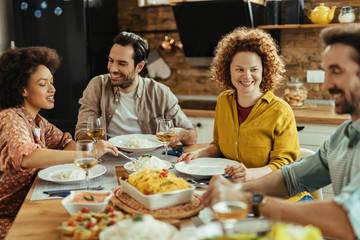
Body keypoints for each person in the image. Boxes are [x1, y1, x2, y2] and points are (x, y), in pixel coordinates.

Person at [203, 25, 360, 240]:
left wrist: (251, 200)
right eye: (325, 73)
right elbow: (292, 177)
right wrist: (239, 191)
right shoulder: (343, 135)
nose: (325, 86)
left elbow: (346, 221)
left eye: (336, 71)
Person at [0, 46, 118, 239]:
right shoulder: (10, 118)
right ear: (22, 88)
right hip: (9, 217)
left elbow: (65, 143)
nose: (52, 89)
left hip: (31, 203)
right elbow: (28, 156)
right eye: (42, 84)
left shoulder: (37, 121)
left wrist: (97, 148)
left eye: (52, 82)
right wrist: (88, 155)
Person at [177, 27, 306, 198]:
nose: (247, 76)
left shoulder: (280, 110)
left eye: (254, 69)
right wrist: (197, 155)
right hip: (233, 190)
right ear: (228, 70)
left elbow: (285, 164)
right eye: (239, 69)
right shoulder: (224, 101)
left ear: (264, 70)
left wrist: (250, 174)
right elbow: (218, 145)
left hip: (273, 195)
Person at [75, 31, 197, 147]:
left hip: (149, 160)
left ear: (139, 67)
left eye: (122, 64)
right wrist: (94, 137)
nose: (113, 69)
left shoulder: (160, 92)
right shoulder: (97, 86)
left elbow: (192, 136)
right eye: (111, 61)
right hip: (109, 158)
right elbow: (80, 135)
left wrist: (181, 133)